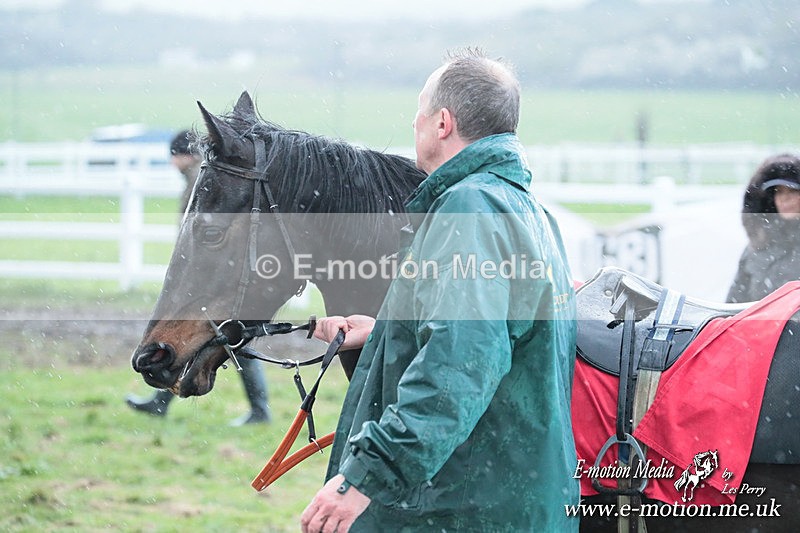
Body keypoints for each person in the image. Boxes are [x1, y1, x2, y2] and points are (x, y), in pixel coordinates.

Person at [300, 49, 579, 532]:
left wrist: (368, 476)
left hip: (460, 508)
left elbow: (462, 363)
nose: (415, 123)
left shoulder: (468, 209)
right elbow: (500, 334)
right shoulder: (527, 209)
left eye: (420, 111)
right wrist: (391, 330)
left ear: (443, 123)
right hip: (514, 498)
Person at [125, 129, 271, 426]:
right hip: (212, 278)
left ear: (184, 156)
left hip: (211, 281)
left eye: (173, 156)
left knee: (215, 339)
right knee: (214, 339)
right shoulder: (201, 176)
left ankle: (259, 410)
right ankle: (164, 400)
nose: (171, 163)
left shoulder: (200, 179)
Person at [727, 153, 800, 303]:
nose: (784, 198)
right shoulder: (756, 249)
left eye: (792, 190)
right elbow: (733, 307)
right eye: (778, 191)